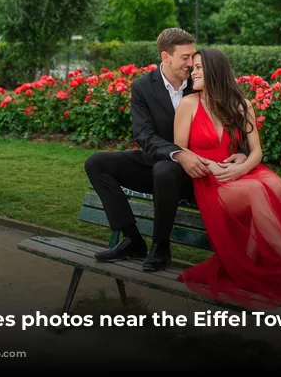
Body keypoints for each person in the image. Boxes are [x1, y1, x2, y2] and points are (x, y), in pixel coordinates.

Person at [173, 48, 281, 310]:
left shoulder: (241, 104)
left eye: (199, 67)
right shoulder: (189, 104)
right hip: (210, 178)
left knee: (276, 184)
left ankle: (249, 265)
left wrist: (242, 165)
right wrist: (211, 166)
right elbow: (180, 149)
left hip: (237, 172)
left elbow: (257, 151)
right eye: (192, 68)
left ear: (215, 70)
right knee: (257, 192)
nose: (193, 72)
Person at [85, 28, 247, 272]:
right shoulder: (142, 86)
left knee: (164, 171)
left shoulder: (200, 82)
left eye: (193, 56)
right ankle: (132, 239)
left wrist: (243, 151)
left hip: (198, 171)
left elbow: (233, 117)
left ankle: (160, 246)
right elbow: (144, 135)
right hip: (163, 160)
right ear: (165, 57)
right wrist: (179, 154)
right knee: (96, 163)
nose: (192, 63)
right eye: (185, 58)